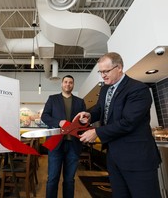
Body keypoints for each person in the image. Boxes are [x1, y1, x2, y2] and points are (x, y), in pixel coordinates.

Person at [75, 52, 162, 198]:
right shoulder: (105, 89)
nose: (103, 75)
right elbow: (100, 109)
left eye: (106, 71)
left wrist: (97, 132)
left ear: (119, 67)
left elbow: (128, 122)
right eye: (100, 72)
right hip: (114, 158)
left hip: (137, 159)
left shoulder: (138, 89)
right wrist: (89, 116)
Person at [41, 75, 86, 198]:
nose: (68, 84)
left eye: (70, 82)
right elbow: (44, 116)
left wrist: (83, 121)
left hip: (73, 145)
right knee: (53, 178)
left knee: (70, 180)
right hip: (56, 144)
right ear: (61, 84)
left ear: (73, 85)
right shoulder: (52, 99)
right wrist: (58, 122)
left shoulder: (80, 102)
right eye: (65, 82)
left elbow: (84, 123)